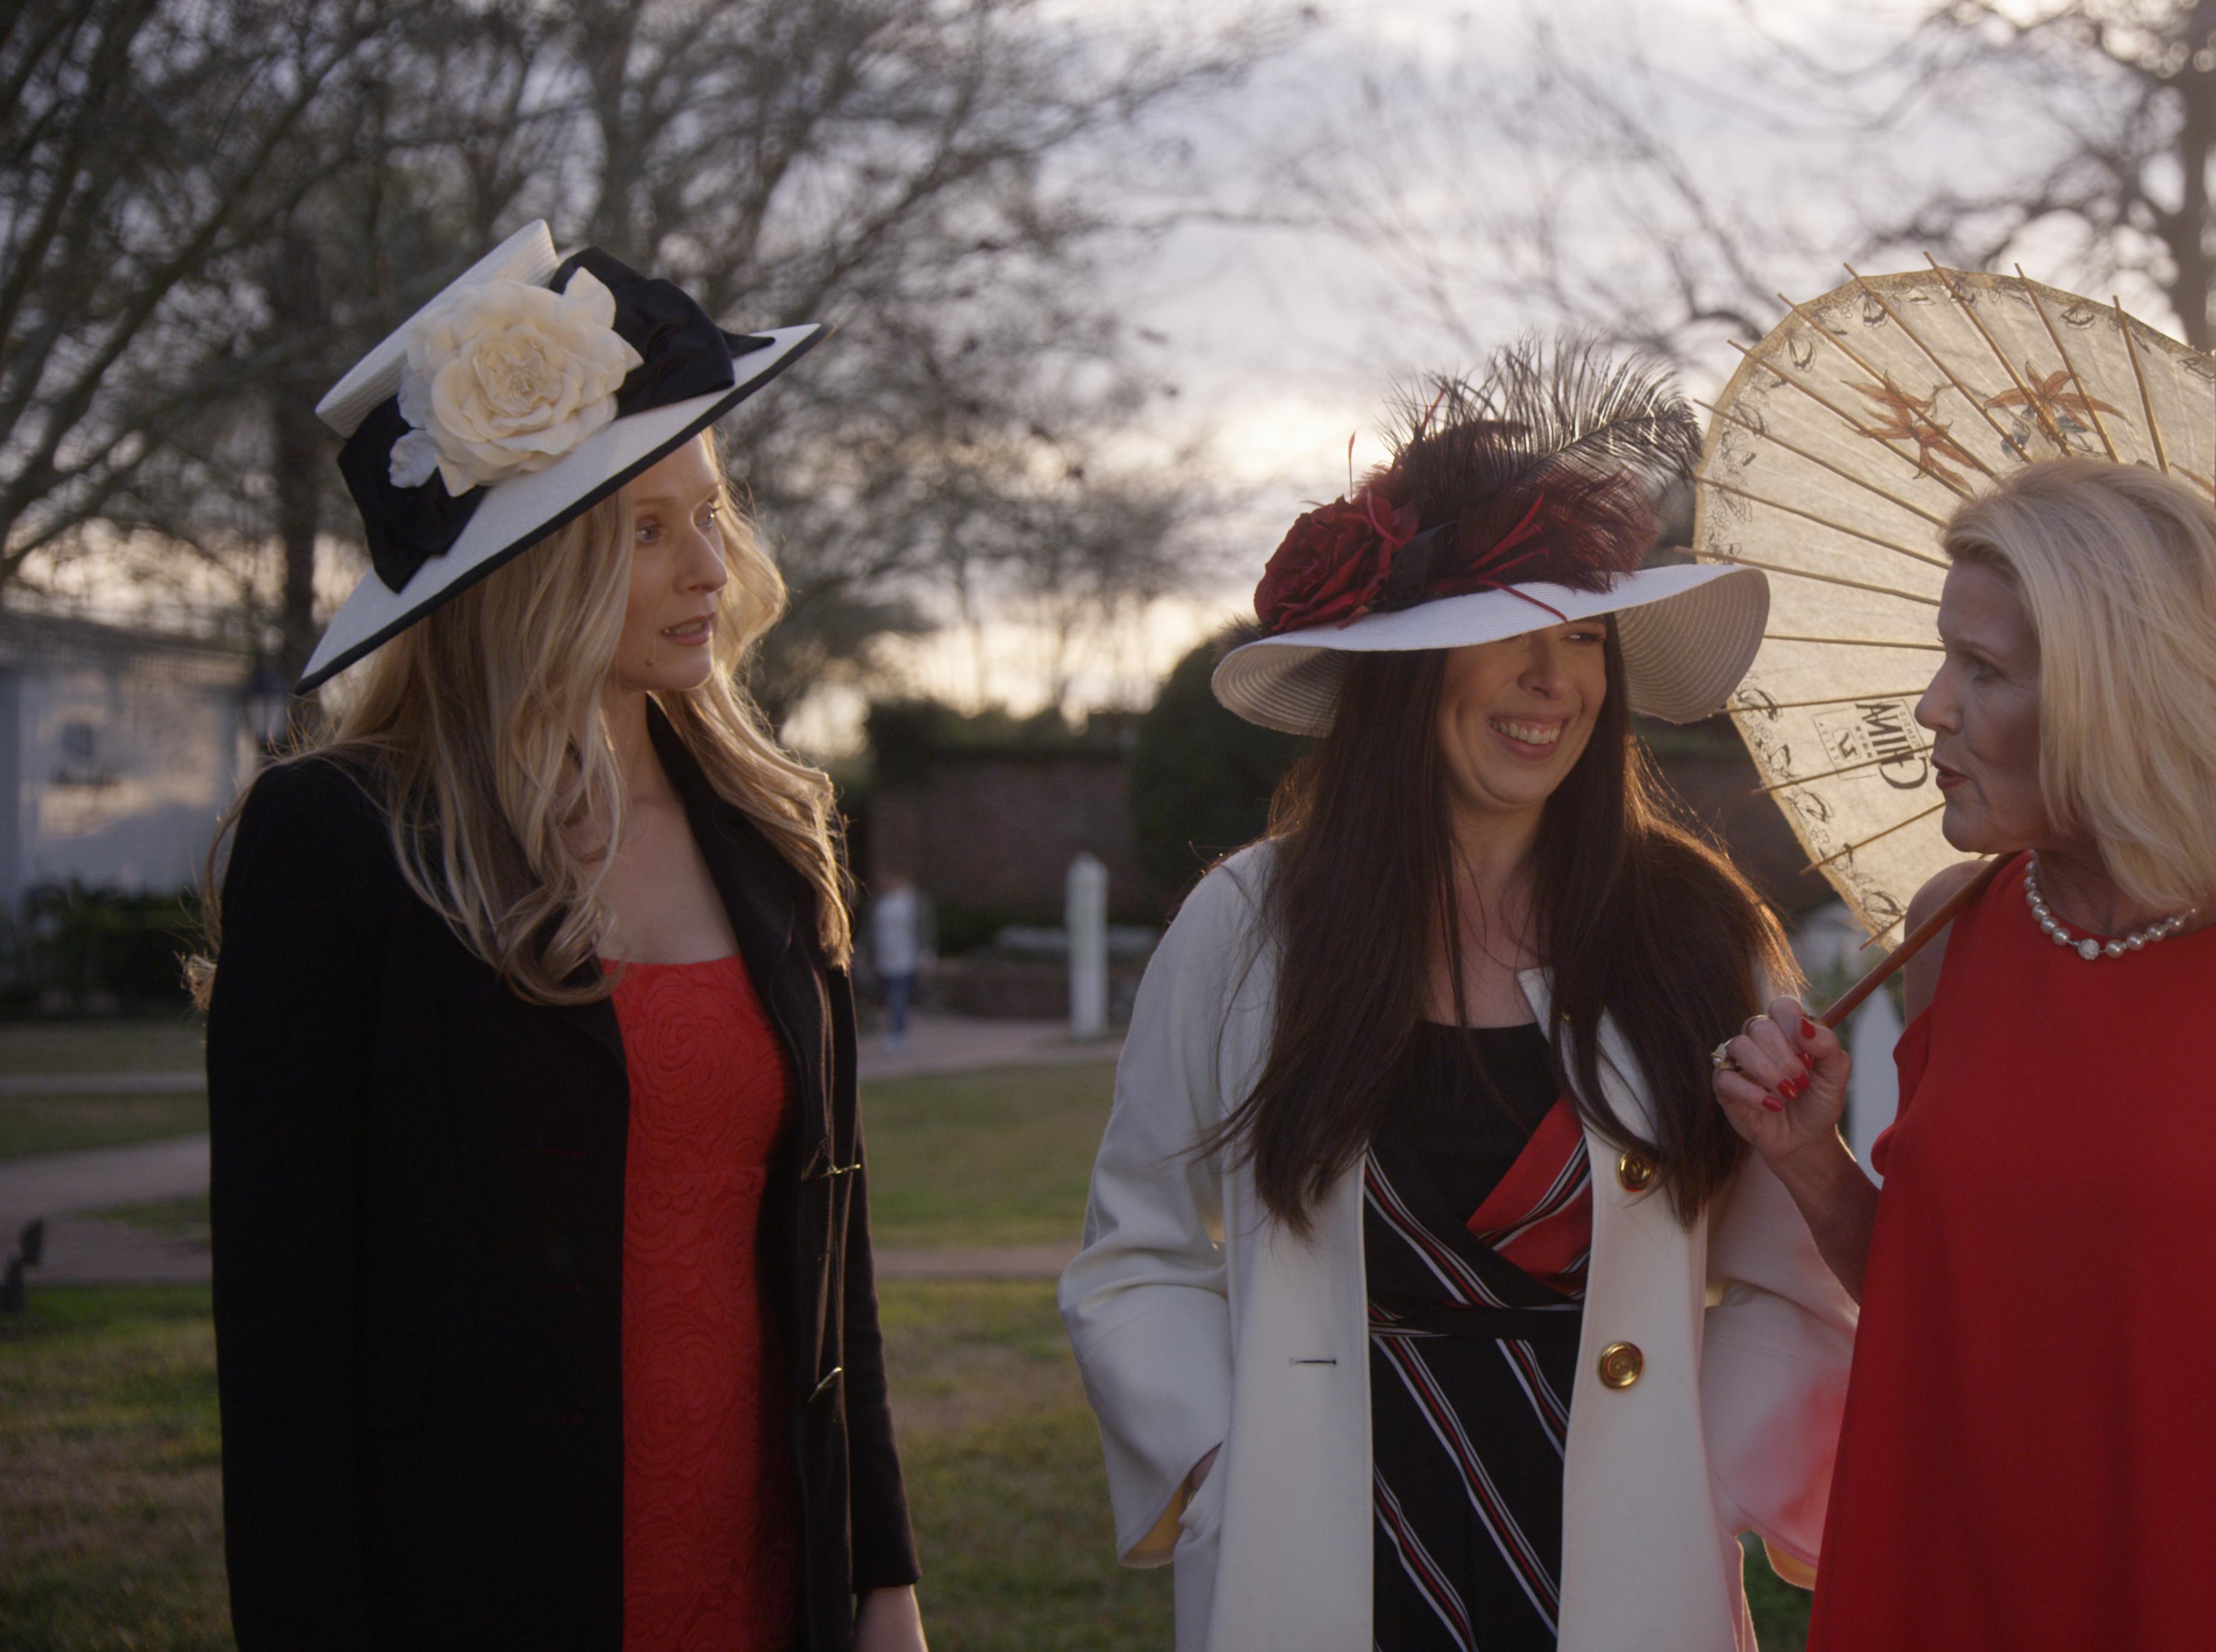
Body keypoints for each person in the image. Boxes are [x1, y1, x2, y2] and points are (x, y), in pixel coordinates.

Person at [1060, 343, 1855, 1652]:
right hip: (1325, 1546)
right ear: (1402, 667)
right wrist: (1218, 1464)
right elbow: (1134, 1251)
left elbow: (1790, 1279)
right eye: (1504, 637)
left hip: (1618, 1557)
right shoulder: (1246, 926)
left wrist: (1704, 1476)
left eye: (1583, 637)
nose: (1555, 680)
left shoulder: (1697, 934)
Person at [202, 221, 923, 1652]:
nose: (709, 566)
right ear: (527, 565)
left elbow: (827, 1258)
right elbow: (283, 1349)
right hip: (473, 1591)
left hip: (766, 1584)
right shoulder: (337, 844)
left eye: (709, 513)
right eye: (646, 529)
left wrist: (883, 1583)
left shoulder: (769, 835)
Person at [1714, 456, 2216, 1651]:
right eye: (1945, 659)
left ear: (2115, 698)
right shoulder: (1951, 930)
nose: (1933, 708)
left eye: (1984, 670)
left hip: (2209, 1602)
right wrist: (1811, 1162)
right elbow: (1940, 1295)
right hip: (1943, 1585)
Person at [871, 872, 931, 1050]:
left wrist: (926, 953)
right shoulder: (880, 902)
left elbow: (924, 929)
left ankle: (897, 1033)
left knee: (897, 996)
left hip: (905, 959)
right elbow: (871, 931)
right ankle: (897, 1026)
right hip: (884, 959)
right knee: (888, 997)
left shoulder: (913, 902)